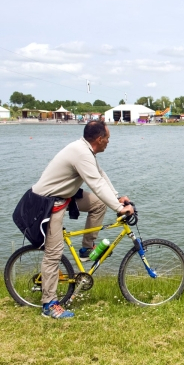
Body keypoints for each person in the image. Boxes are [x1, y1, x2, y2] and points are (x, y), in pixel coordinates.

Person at [12, 121, 133, 319]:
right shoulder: (81, 153)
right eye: (108, 139)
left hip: (65, 197)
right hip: (47, 205)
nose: (109, 142)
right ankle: (49, 304)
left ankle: (87, 248)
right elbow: (95, 184)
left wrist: (117, 197)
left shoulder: (85, 151)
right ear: (99, 139)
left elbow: (100, 176)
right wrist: (120, 209)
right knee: (53, 254)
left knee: (98, 204)